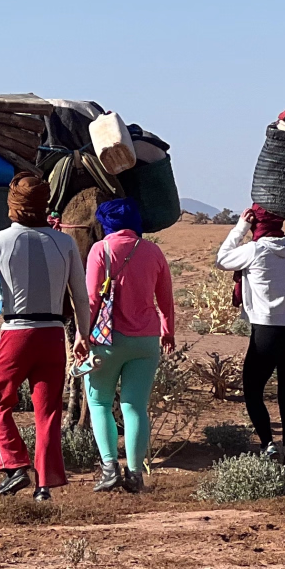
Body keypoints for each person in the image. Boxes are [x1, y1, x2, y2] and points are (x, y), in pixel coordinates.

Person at [0, 173, 91, 501]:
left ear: (12, 205)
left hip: (16, 334)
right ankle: (44, 486)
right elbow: (81, 297)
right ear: (43, 204)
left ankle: (14, 466)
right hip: (53, 335)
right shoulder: (65, 242)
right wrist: (83, 335)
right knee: (48, 412)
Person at [215, 205, 285, 467]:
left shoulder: (253, 250)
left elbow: (222, 259)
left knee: (253, 392)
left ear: (256, 224)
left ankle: (267, 444)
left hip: (265, 333)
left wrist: (240, 227)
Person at [83, 195, 176, 493]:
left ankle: (109, 468)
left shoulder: (100, 250)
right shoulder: (153, 251)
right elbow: (166, 298)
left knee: (99, 402)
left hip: (106, 340)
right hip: (145, 341)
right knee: (134, 406)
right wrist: (168, 330)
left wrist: (82, 336)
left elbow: (92, 299)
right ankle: (135, 475)